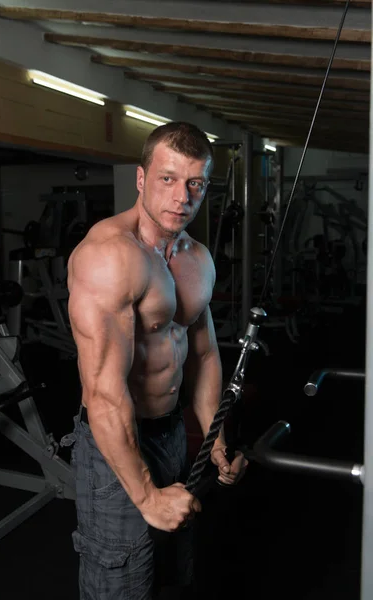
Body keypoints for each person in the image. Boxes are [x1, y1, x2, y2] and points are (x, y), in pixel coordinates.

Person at [66, 121, 248, 600]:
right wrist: (145, 496)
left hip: (171, 434)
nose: (182, 196)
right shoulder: (109, 256)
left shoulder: (198, 259)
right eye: (168, 179)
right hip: (115, 442)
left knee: (170, 571)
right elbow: (104, 394)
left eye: (195, 183)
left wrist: (215, 439)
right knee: (120, 581)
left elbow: (204, 355)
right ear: (142, 179)